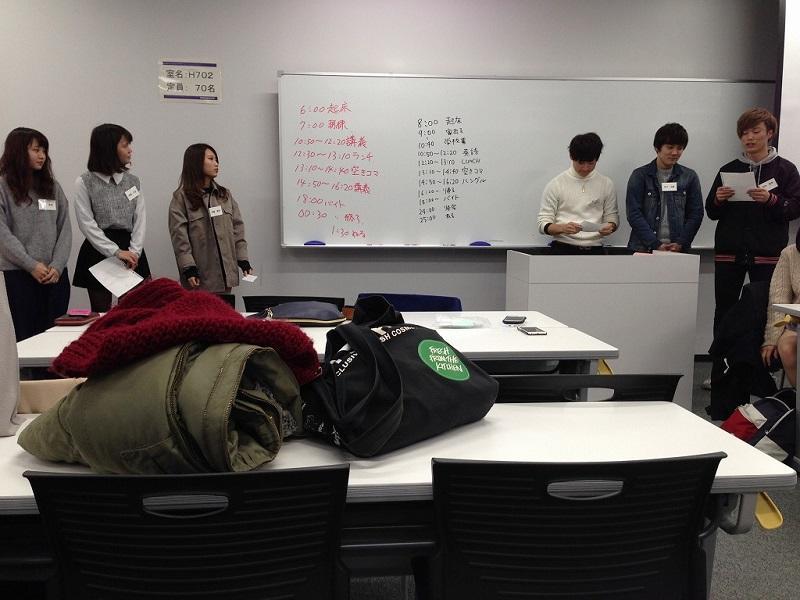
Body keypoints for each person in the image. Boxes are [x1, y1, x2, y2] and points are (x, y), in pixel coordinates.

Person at [706, 107, 800, 338]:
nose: (749, 138)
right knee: (724, 310)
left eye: (755, 132)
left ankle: (760, 360)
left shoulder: (785, 169)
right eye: (744, 133)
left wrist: (771, 200)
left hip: (767, 254)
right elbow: (711, 211)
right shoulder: (729, 169)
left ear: (770, 133)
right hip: (729, 253)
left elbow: (795, 208)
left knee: (763, 310)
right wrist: (718, 199)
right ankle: (721, 361)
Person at [0, 127, 71, 340]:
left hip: (54, 276)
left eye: (44, 151)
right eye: (36, 150)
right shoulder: (3, 186)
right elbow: (3, 234)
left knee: (55, 339)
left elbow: (65, 230)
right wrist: (31, 265)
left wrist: (57, 266)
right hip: (18, 276)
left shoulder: (52, 187)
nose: (42, 156)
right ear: (18, 152)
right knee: (24, 339)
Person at [73, 123, 150, 312]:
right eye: (125, 145)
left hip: (131, 250)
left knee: (134, 312)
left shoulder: (133, 181)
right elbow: (86, 223)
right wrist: (115, 252)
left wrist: (134, 252)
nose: (130, 150)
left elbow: (140, 219)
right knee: (102, 314)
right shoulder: (84, 182)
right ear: (108, 148)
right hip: (98, 250)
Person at [168, 143, 251, 294]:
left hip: (225, 277)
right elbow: (179, 238)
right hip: (200, 277)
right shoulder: (181, 198)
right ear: (196, 162)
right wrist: (188, 267)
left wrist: (242, 258)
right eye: (211, 159)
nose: (216, 163)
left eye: (216, 159)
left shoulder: (224, 195)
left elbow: (237, 228)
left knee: (224, 309)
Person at [626, 123, 704, 252]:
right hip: (643, 248)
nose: (675, 152)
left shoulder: (689, 177)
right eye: (670, 147)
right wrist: (655, 244)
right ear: (657, 148)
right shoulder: (640, 176)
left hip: (677, 249)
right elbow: (634, 214)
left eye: (679, 148)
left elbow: (696, 214)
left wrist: (681, 243)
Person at [537, 132, 618, 254]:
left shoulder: (606, 184)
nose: (585, 168)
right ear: (571, 156)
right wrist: (562, 228)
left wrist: (610, 226)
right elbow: (543, 224)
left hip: (595, 250)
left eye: (590, 163)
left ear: (597, 159)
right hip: (563, 249)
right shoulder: (556, 184)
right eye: (580, 163)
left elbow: (612, 218)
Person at [761, 231, 800, 387]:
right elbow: (778, 299)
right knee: (787, 348)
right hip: (796, 322)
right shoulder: (790, 253)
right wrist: (772, 338)